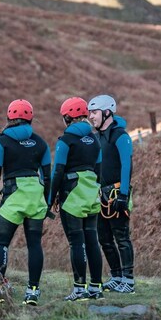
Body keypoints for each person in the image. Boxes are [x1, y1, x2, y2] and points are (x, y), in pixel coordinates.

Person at [0, 99, 51, 306]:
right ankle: (33, 291)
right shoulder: (41, 142)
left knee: (1, 243)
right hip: (35, 196)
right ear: (30, 118)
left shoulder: (2, 142)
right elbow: (47, 177)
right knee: (34, 245)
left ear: (9, 118)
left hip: (13, 195)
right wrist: (46, 202)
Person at [48, 96, 104, 301]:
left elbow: (58, 171)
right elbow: (99, 169)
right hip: (91, 193)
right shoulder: (95, 139)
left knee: (76, 243)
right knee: (92, 241)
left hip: (71, 195)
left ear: (67, 117)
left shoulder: (65, 140)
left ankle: (79, 288)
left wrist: (51, 198)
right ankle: (96, 287)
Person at [88, 94, 135, 294]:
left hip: (117, 193)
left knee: (121, 237)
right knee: (104, 238)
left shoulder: (121, 136)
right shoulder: (96, 137)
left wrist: (123, 195)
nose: (91, 116)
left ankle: (129, 281)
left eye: (94, 112)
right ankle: (116, 276)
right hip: (100, 195)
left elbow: (127, 165)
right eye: (90, 112)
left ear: (107, 112)